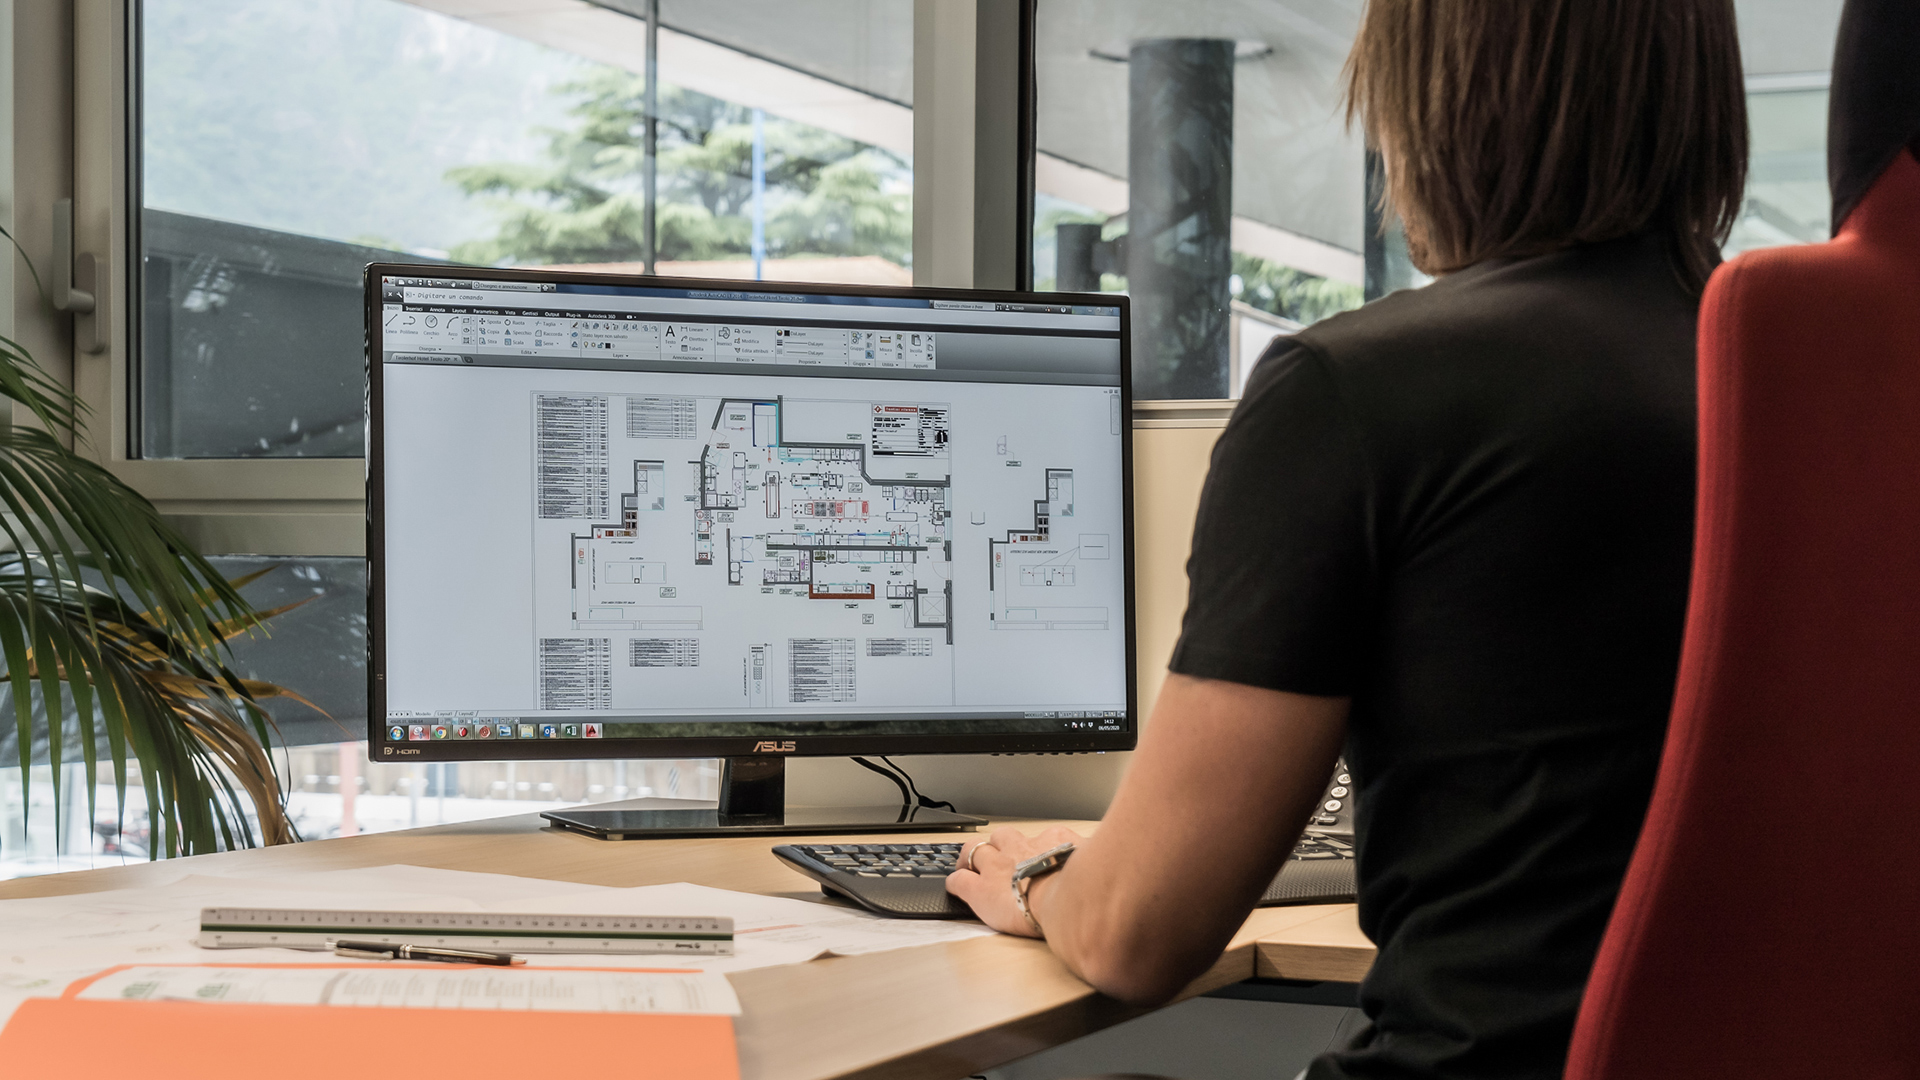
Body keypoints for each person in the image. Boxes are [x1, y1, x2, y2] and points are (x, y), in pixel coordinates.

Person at [946, 2, 1748, 1077]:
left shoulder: (1363, 391)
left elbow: (1139, 936)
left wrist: (1042, 876)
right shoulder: (1802, 383)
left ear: (1438, 101)